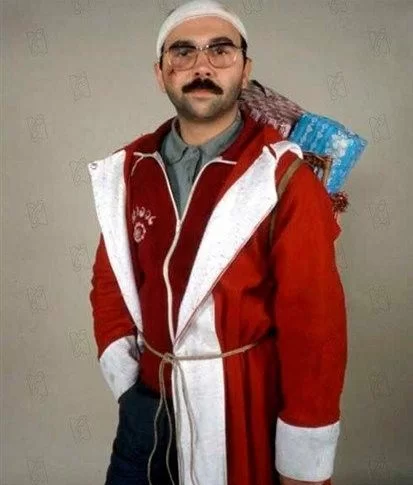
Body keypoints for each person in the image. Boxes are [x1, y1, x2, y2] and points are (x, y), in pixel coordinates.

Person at [88, 1, 348, 484]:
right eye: (183, 52)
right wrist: (129, 384)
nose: (201, 66)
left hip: (241, 410)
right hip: (146, 410)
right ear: (161, 73)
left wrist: (303, 462)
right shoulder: (127, 171)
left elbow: (315, 326)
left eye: (220, 50)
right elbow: (111, 283)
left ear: (245, 69)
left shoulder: (285, 179)